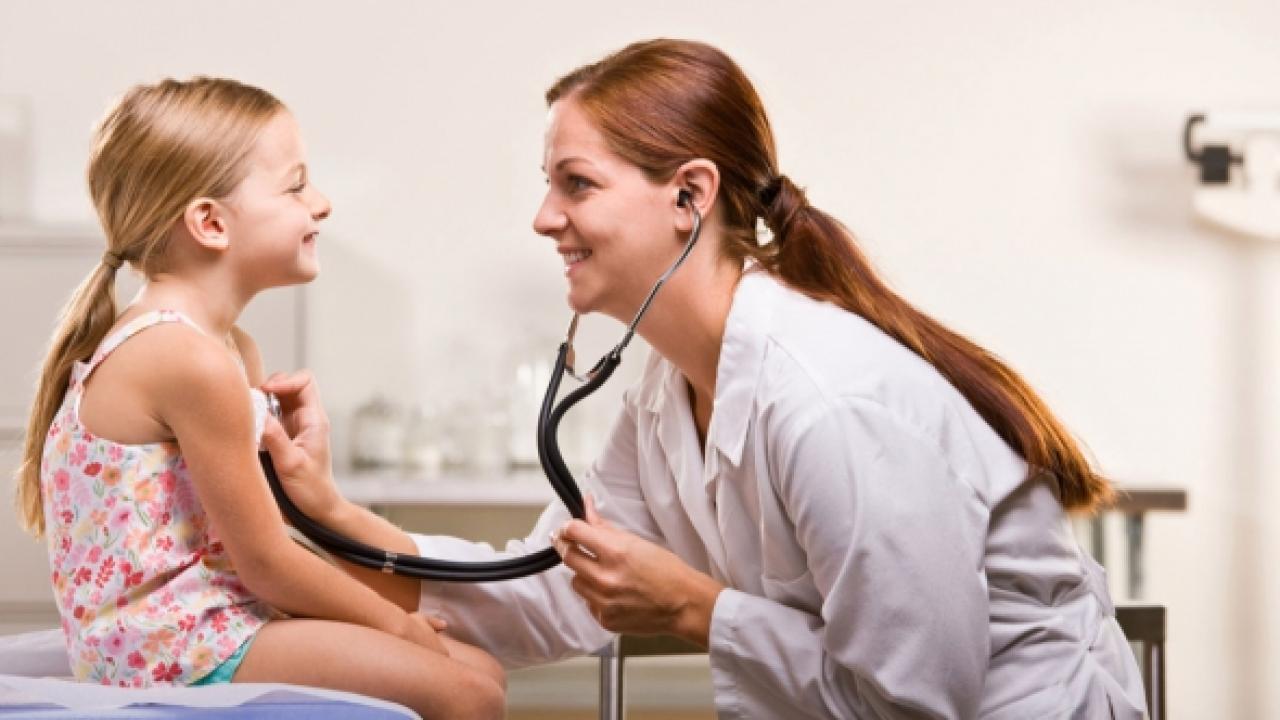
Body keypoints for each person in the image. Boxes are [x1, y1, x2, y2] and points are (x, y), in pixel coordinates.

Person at [261, 39, 1147, 718]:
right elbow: (552, 593)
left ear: (689, 195)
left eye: (577, 184)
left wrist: (697, 609)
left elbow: (911, 704)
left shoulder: (831, 404)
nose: (543, 218)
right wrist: (333, 516)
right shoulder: (667, 386)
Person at [14, 77, 504, 719]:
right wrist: (397, 626)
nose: (321, 204)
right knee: (464, 691)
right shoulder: (186, 358)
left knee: (481, 670)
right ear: (211, 223)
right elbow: (267, 561)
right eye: (296, 186)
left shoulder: (228, 348)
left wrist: (315, 492)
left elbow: (257, 540)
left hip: (215, 617)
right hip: (171, 645)